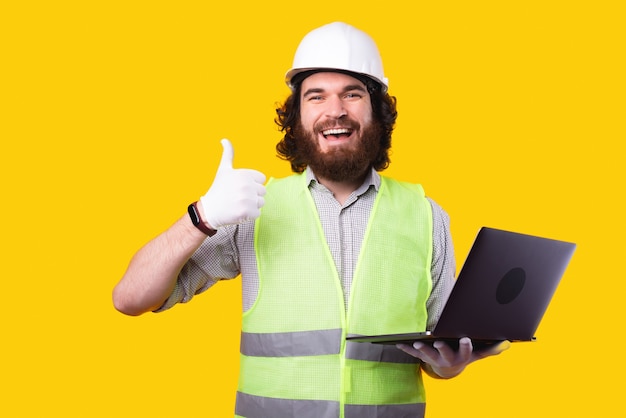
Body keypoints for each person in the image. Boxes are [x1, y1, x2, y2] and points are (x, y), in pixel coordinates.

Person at [113, 21, 509, 418]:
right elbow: (130, 298)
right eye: (316, 97)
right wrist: (202, 216)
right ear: (296, 115)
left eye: (352, 94)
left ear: (377, 111)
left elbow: (441, 348)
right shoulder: (251, 209)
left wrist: (449, 365)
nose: (335, 111)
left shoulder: (426, 216)